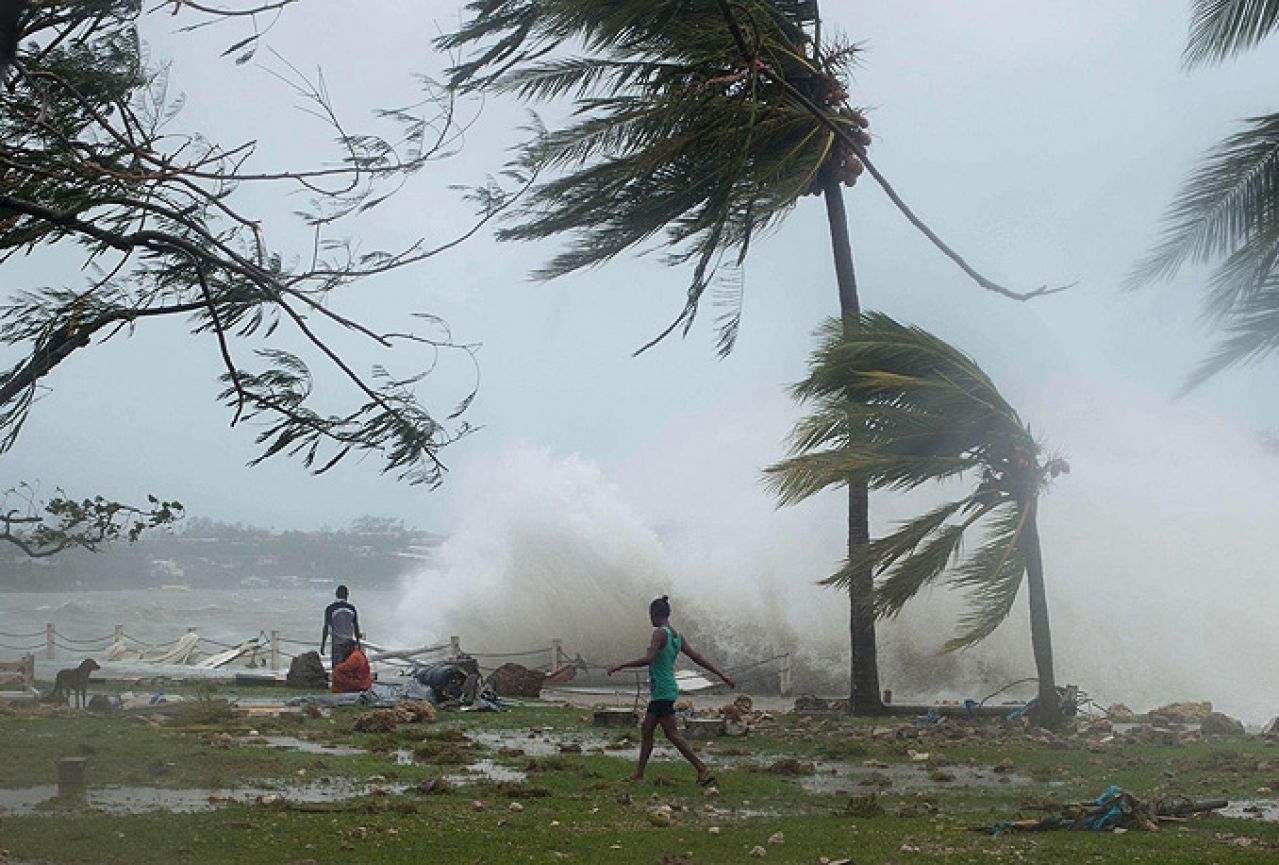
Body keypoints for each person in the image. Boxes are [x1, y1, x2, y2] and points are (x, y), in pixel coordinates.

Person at [608, 595, 735, 785]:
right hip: (667, 688)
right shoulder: (677, 636)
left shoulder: (660, 633)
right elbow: (697, 657)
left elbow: (649, 657)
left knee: (672, 734)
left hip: (662, 691)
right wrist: (721, 674)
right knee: (648, 730)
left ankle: (701, 768)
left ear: (654, 614)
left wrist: (621, 665)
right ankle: (639, 775)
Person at [320, 584, 362, 668]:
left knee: (337, 669)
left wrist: (323, 645)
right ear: (347, 595)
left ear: (336, 594)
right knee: (349, 669)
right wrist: (358, 643)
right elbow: (356, 627)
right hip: (350, 645)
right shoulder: (352, 608)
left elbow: (326, 628)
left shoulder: (330, 608)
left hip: (337, 645)